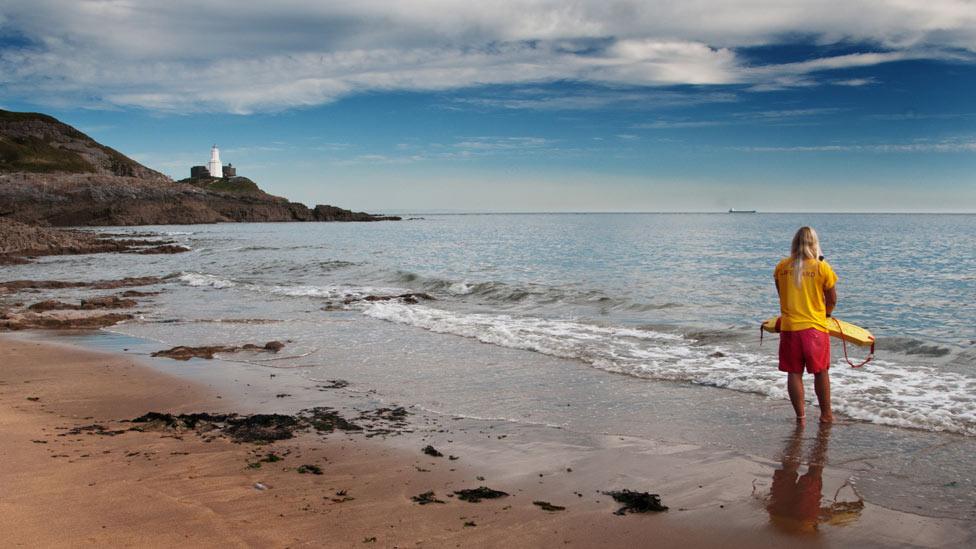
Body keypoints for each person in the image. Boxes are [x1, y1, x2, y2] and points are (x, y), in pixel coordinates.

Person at [774, 227, 837, 423]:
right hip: (815, 329)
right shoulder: (821, 267)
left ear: (794, 243)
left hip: (790, 328)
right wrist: (826, 314)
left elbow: (781, 295)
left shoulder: (781, 267)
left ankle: (800, 417)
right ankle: (826, 415)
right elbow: (832, 299)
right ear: (814, 243)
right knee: (820, 372)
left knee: (794, 373)